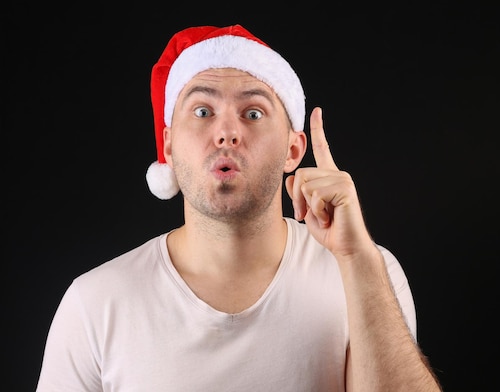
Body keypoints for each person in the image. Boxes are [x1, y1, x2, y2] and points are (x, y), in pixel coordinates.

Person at [36, 24, 442, 391]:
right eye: (202, 111)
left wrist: (357, 259)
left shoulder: (369, 272)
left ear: (293, 150)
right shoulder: (94, 303)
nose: (227, 132)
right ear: (169, 146)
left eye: (252, 113)